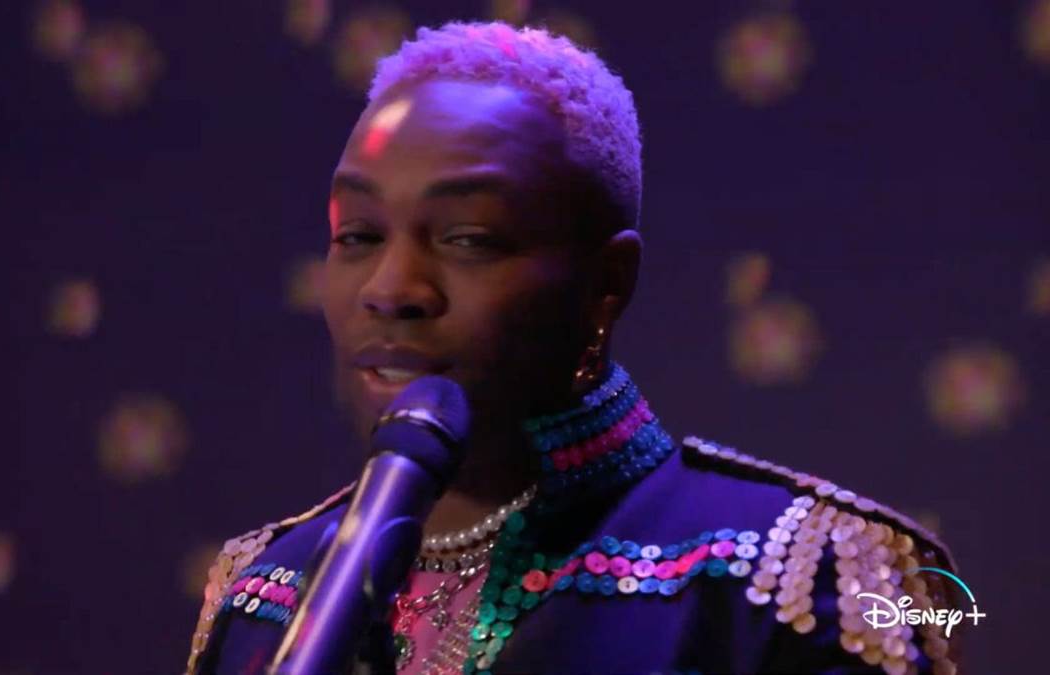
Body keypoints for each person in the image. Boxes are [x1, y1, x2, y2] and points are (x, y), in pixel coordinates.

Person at [185, 21, 962, 675]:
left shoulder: (812, 572)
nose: (391, 289)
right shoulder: (264, 587)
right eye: (357, 235)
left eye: (468, 238)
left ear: (606, 284)